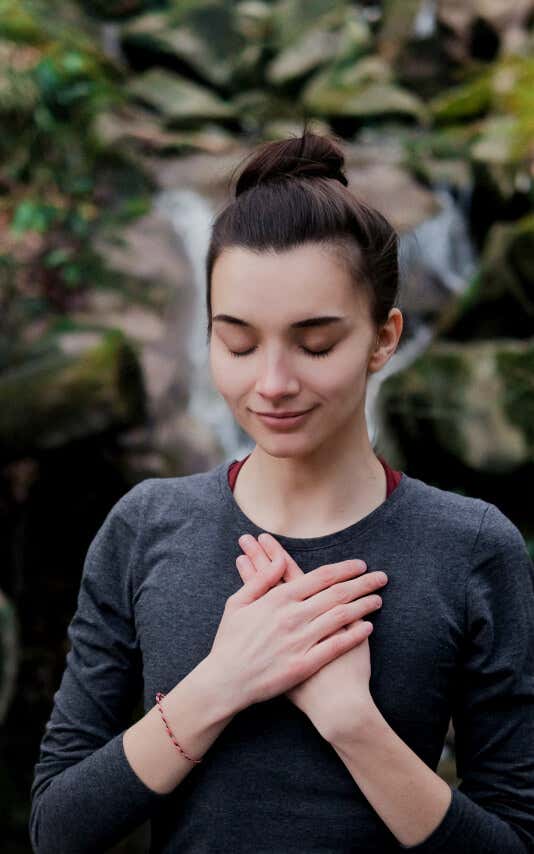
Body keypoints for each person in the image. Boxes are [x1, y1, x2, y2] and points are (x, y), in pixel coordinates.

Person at [29, 128, 534, 854]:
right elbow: (57, 829)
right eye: (236, 343)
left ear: (384, 339)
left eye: (316, 344)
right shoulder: (146, 525)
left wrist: (352, 724)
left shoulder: (471, 547)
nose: (270, 384)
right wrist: (223, 682)